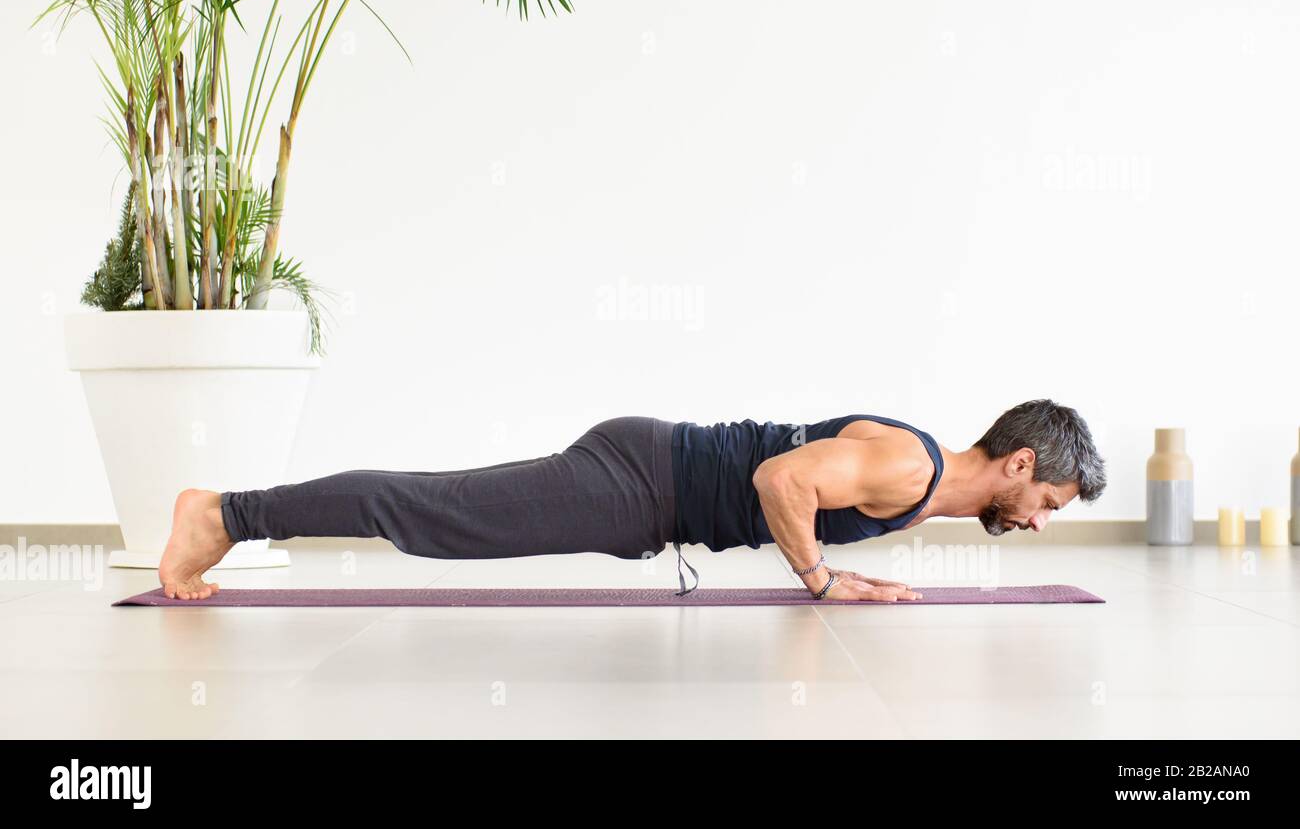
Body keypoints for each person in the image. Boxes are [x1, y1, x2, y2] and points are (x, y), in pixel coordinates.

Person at [158, 398, 1106, 602]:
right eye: (1053, 501)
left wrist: (826, 564)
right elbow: (781, 481)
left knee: (442, 515)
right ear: (1020, 465)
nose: (1041, 522)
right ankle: (226, 514)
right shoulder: (916, 469)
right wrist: (818, 577)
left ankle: (232, 514)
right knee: (437, 514)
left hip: (652, 485)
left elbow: (795, 481)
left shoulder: (919, 472)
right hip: (642, 479)